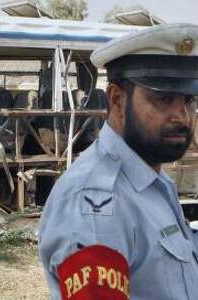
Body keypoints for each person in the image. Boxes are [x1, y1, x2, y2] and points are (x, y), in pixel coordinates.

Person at [39, 23, 198, 300]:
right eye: (163, 99)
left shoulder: (152, 180)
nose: (182, 116)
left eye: (189, 100)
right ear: (117, 100)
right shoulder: (96, 203)